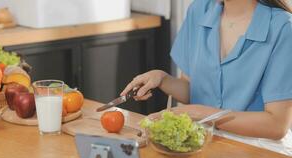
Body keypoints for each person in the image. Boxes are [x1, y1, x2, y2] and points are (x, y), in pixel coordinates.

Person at [121, 0, 292, 142]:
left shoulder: (282, 27)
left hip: (260, 151)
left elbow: (276, 125)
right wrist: (162, 79)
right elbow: (192, 90)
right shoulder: (199, 10)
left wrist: (202, 114)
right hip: (201, 141)